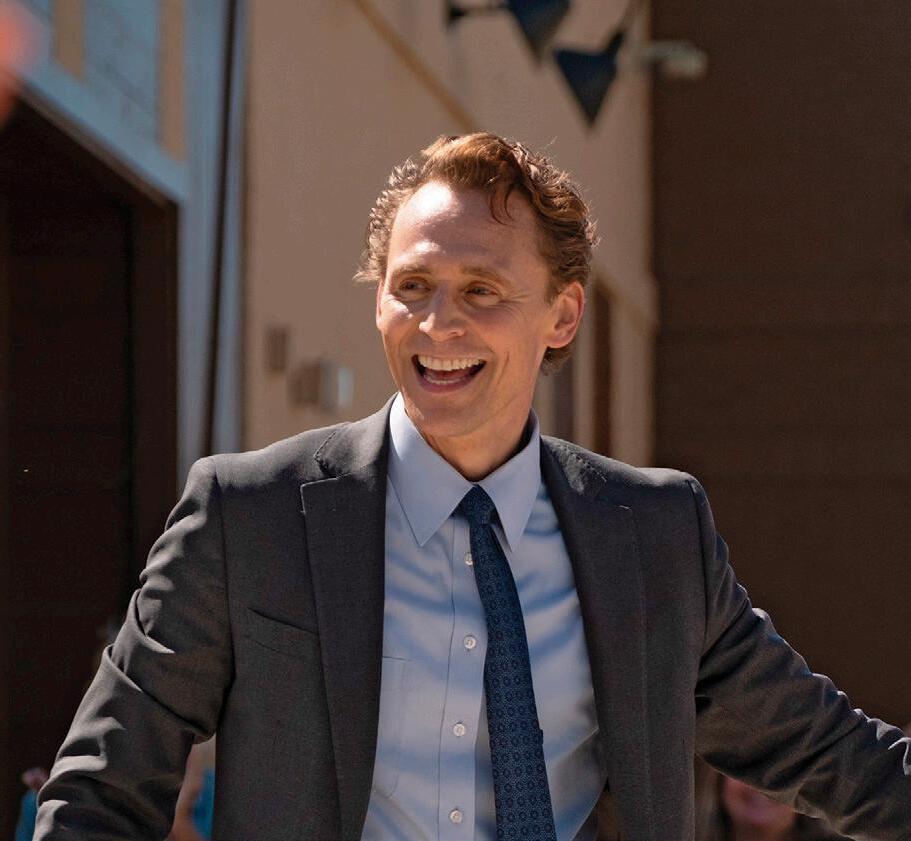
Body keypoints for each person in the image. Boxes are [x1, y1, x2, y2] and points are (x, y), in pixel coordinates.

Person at [35, 133, 911, 840]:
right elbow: (102, 790)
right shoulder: (249, 516)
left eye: (481, 290)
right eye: (411, 286)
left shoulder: (654, 534)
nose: (437, 322)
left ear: (561, 314)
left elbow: (831, 753)